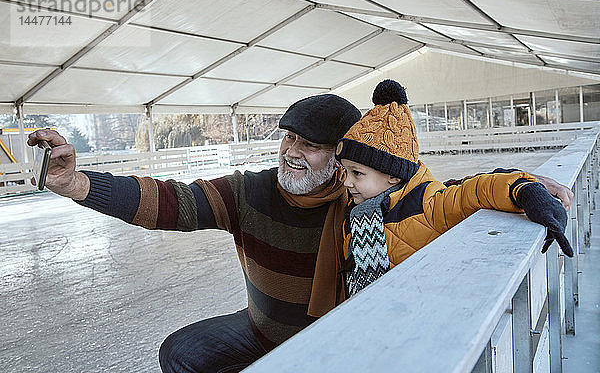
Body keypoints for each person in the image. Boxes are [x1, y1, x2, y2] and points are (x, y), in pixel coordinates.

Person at [28, 92, 573, 373]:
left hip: (339, 342)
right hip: (264, 327)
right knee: (182, 352)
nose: (291, 151)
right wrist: (78, 182)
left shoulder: (365, 198)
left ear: (343, 157)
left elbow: (446, 192)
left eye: (309, 143)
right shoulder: (252, 191)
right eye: (288, 136)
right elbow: (170, 201)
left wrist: (523, 184)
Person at [335, 80, 573, 296]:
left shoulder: (428, 204)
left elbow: (476, 190)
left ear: (393, 177)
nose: (347, 182)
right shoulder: (360, 208)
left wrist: (525, 192)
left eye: (357, 173)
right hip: (367, 313)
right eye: (346, 171)